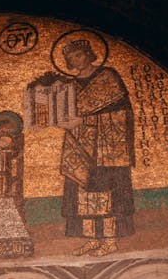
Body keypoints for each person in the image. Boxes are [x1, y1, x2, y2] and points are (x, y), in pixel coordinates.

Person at [58, 37, 135, 255]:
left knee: (106, 192)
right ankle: (92, 238)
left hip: (107, 146)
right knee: (84, 193)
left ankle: (109, 240)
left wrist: (84, 121)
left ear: (88, 54)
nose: (77, 60)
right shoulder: (69, 85)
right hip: (80, 145)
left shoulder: (107, 77)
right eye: (71, 58)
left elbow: (122, 113)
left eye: (79, 55)